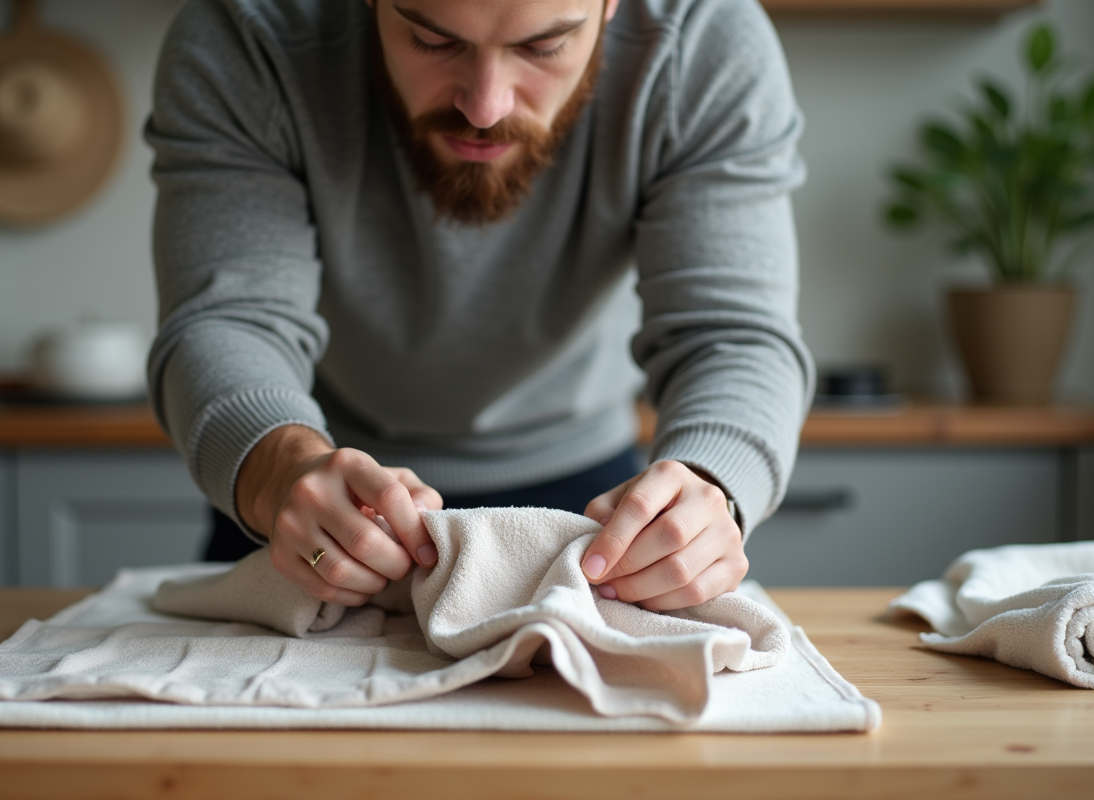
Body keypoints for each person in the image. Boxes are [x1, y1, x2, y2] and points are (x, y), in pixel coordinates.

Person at [145, 0, 813, 613]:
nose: (485, 106)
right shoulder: (249, 30)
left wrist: (709, 483)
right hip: (312, 501)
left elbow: (730, 334)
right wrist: (279, 474)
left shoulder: (702, 41)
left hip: (593, 510)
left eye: (545, 45)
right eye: (433, 40)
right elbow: (230, 318)